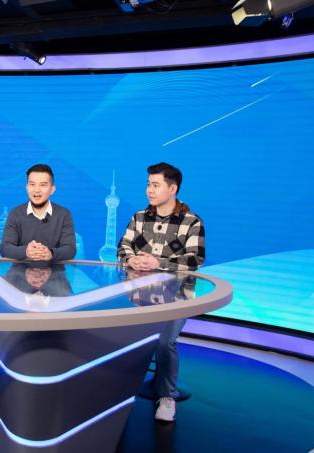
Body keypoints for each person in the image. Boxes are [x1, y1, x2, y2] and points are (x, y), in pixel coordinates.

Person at [117, 162, 205, 422]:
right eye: (148, 184)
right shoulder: (139, 217)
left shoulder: (191, 222)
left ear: (172, 188)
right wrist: (131, 259)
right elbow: (123, 247)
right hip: (139, 296)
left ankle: (167, 396)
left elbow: (195, 259)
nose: (150, 190)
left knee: (166, 342)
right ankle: (119, 391)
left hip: (177, 297)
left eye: (155, 185)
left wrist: (159, 263)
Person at [0, 164, 76, 262]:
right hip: (21, 270)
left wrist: (51, 253)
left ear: (52, 189)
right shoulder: (16, 214)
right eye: (32, 184)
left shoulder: (63, 214)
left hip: (54, 271)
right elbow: (5, 248)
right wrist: (26, 251)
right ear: (27, 187)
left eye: (43, 185)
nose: (36, 190)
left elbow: (70, 250)